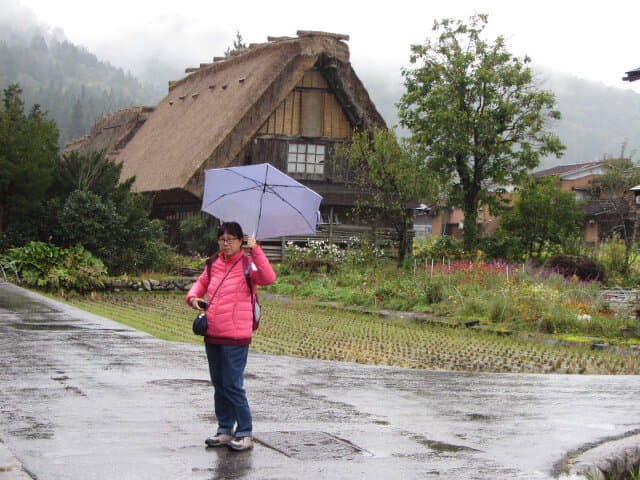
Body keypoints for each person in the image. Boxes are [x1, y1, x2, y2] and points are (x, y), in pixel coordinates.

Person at [186, 221, 276, 451]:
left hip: (236, 336)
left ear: (240, 241)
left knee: (233, 385)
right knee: (219, 384)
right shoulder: (213, 264)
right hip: (213, 333)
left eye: (231, 240)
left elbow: (268, 277)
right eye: (222, 239)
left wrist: (256, 250)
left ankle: (245, 432)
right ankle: (225, 429)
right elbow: (199, 285)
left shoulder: (248, 265)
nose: (225, 244)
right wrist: (193, 298)